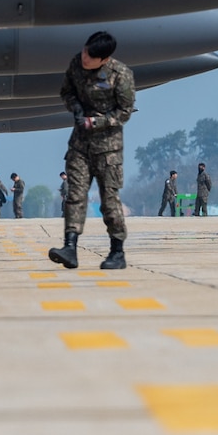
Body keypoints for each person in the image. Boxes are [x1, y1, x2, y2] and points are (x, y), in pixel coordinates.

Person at [49, 31, 134, 270]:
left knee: (109, 200)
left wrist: (96, 122)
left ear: (104, 59)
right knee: (74, 196)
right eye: (85, 51)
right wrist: (75, 107)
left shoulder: (121, 75)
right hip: (79, 145)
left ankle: (117, 252)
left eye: (91, 57)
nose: (85, 58)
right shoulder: (77, 63)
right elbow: (66, 91)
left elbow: (125, 112)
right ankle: (70, 247)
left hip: (108, 149)